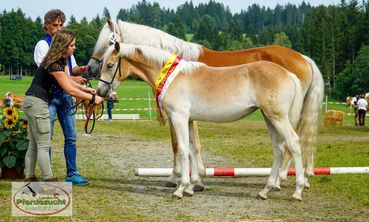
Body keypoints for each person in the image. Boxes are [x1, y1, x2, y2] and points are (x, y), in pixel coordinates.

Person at [24, 30, 103, 182]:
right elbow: (69, 89)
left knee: (34, 144)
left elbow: (68, 81)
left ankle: (30, 177)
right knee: (43, 145)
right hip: (38, 103)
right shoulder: (54, 63)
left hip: (31, 101)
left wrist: (85, 89)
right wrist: (92, 98)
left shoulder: (57, 61)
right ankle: (49, 180)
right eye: (72, 45)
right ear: (63, 45)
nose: (74, 48)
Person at [33, 9, 90, 185]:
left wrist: (83, 70)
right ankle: (48, 175)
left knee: (71, 136)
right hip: (49, 96)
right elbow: (51, 72)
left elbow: (70, 70)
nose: (58, 28)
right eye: (55, 25)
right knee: (46, 137)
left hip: (65, 95)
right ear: (46, 26)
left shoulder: (67, 46)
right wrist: (75, 83)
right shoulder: (43, 45)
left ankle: (72, 173)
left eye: (61, 25)